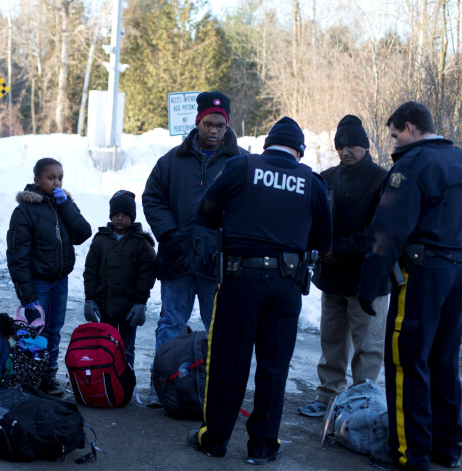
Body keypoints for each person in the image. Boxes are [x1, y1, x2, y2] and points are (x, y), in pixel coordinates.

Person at [187, 117, 332, 464]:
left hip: (240, 280)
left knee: (228, 362)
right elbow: (325, 241)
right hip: (286, 284)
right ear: (299, 151)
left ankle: (215, 441)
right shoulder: (311, 182)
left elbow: (204, 213)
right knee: (273, 366)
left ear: (266, 146)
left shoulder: (241, 166)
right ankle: (263, 446)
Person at [357, 102, 462, 471]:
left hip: (423, 275)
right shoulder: (458, 159)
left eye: (395, 135)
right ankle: (446, 447)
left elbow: (387, 231)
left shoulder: (413, 165)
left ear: (409, 127)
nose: (393, 143)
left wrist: (369, 285)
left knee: (407, 361)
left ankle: (407, 452)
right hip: (457, 273)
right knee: (444, 361)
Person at [142, 91, 248, 403]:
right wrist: (170, 233)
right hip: (177, 257)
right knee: (172, 322)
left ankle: (214, 389)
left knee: (218, 325)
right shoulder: (172, 160)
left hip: (216, 260)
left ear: (227, 127)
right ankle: (162, 384)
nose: (214, 131)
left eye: (221, 126)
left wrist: (227, 240)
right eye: (209, 124)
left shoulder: (240, 162)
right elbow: (152, 198)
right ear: (198, 122)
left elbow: (247, 207)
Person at [298, 115, 390, 417]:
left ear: (364, 146)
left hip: (369, 280)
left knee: (369, 347)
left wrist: (340, 249)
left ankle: (362, 404)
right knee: (332, 342)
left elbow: (382, 232)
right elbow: (311, 220)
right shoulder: (326, 178)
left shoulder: (382, 180)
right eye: (340, 146)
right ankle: (327, 396)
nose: (345, 151)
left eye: (351, 145)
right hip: (332, 278)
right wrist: (322, 248)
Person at [7, 158, 92, 395]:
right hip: (38, 283)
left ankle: (49, 374)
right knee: (36, 331)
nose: (56, 182)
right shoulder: (24, 211)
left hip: (60, 281)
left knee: (55, 328)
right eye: (50, 178)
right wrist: (26, 294)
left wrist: (66, 206)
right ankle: (31, 374)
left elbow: (83, 233)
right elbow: (17, 255)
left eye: (60, 178)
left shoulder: (63, 205)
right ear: (37, 180)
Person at [83, 190, 156, 367]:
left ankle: (126, 383)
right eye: (116, 214)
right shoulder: (101, 241)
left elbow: (147, 275)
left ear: (132, 217)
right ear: (111, 216)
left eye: (125, 214)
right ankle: (106, 383)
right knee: (106, 347)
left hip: (129, 309)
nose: (120, 218)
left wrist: (140, 303)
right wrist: (90, 299)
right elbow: (90, 271)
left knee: (126, 348)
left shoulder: (141, 243)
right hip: (105, 306)